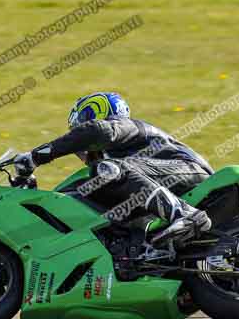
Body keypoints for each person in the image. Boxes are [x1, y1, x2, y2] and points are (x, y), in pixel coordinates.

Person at [13, 92, 214, 244]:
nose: (82, 152)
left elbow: (98, 131)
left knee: (108, 169)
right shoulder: (119, 168)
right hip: (161, 180)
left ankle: (185, 215)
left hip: (189, 170)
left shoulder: (126, 128)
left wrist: (36, 156)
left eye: (78, 135)